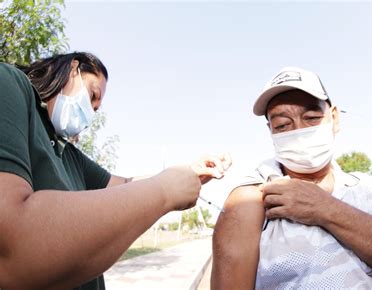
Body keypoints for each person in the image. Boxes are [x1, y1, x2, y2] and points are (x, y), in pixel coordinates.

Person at [0, 52, 231, 290]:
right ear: (73, 68)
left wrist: (189, 172)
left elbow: (125, 184)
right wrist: (165, 191)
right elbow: (11, 246)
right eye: (92, 96)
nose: (88, 113)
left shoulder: (69, 154)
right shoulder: (9, 85)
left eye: (95, 109)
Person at [211, 67, 372, 289]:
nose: (299, 131)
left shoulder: (364, 186)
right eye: (283, 125)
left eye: (311, 118)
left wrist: (325, 208)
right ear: (271, 131)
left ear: (334, 118)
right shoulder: (251, 198)